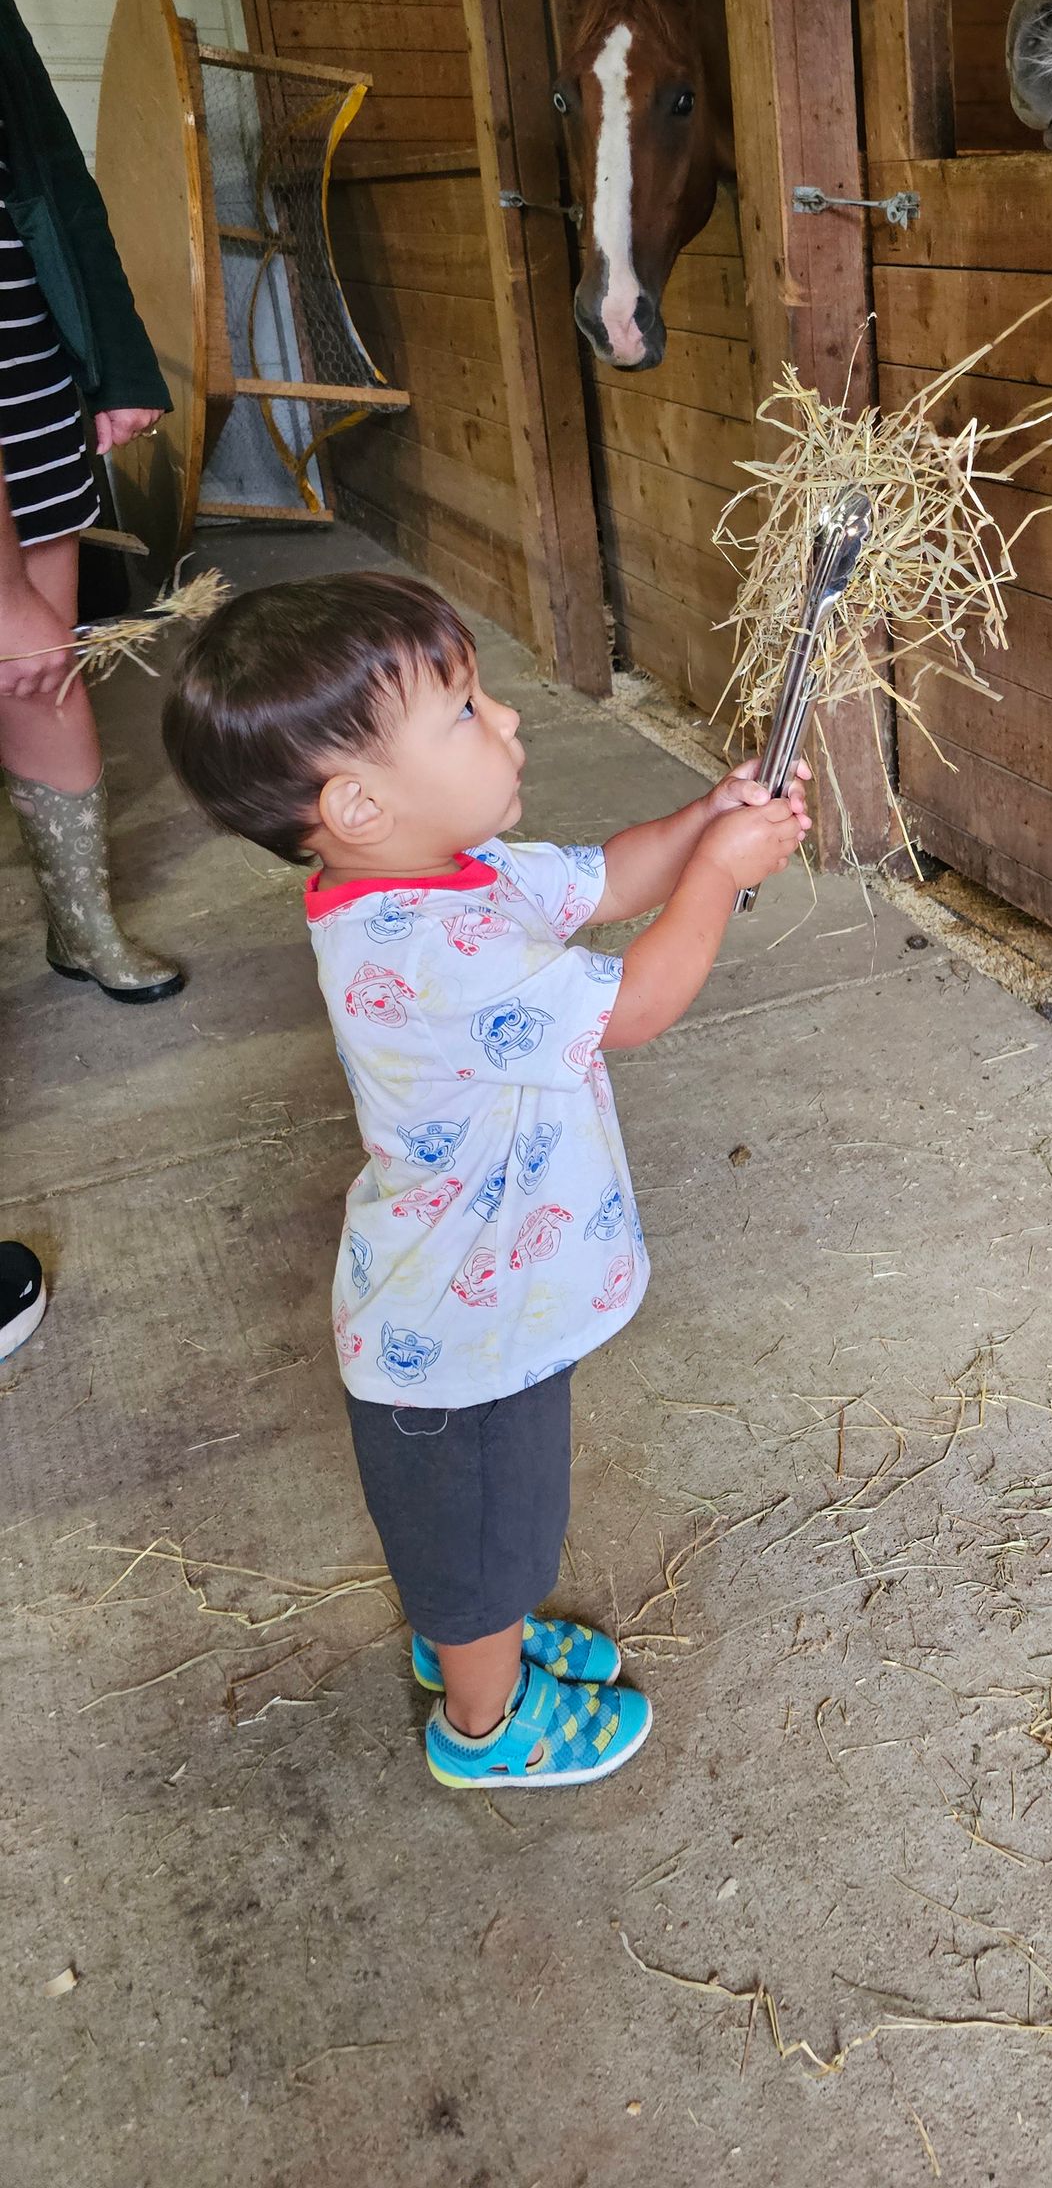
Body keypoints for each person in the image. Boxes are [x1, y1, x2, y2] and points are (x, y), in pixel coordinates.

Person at [163, 572, 809, 1791]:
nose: (506, 720)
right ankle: (485, 1720)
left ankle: (481, 1641)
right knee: (482, 1538)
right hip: (452, 1337)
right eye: (463, 710)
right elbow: (643, 1001)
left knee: (491, 1528)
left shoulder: (447, 874)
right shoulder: (427, 950)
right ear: (355, 803)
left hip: (485, 1297)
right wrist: (721, 874)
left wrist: (707, 817)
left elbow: (609, 881)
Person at [0, 0, 178, 1002]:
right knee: (25, 636)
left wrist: (112, 361)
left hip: (21, 359)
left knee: (39, 671)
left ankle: (83, 925)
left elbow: (54, 170)